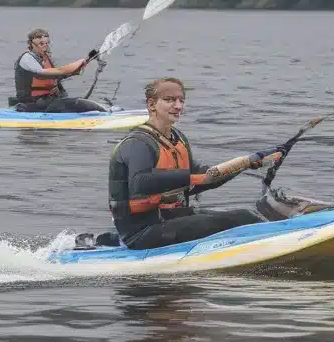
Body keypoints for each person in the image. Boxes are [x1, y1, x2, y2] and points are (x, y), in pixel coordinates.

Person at [108, 77, 285, 250]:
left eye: (181, 100)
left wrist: (244, 164)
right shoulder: (137, 143)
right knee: (227, 222)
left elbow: (199, 180)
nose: (178, 106)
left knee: (245, 216)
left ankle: (281, 244)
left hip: (168, 218)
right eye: (169, 100)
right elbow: (141, 181)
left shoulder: (178, 139)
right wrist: (198, 178)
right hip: (140, 232)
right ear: (152, 104)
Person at [12, 28, 107, 113]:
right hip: (31, 103)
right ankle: (105, 114)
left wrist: (83, 63)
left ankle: (104, 111)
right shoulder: (27, 58)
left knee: (79, 103)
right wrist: (78, 62)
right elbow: (47, 73)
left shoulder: (45, 58)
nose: (45, 46)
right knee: (79, 103)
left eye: (47, 43)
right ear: (32, 44)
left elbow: (58, 75)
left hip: (46, 101)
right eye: (41, 44)